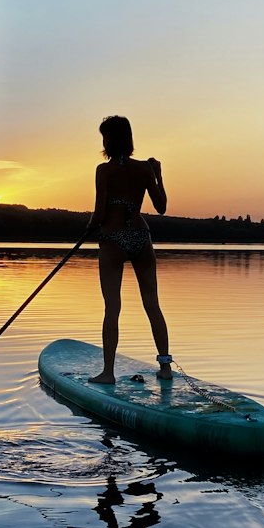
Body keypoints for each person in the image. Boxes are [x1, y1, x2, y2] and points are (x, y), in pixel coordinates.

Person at [86, 115, 172, 385]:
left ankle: (108, 373)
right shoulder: (145, 169)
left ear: (108, 141)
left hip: (112, 240)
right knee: (152, 305)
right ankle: (166, 368)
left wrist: (89, 228)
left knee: (112, 308)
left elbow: (100, 213)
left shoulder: (104, 170)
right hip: (140, 238)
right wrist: (158, 176)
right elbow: (161, 207)